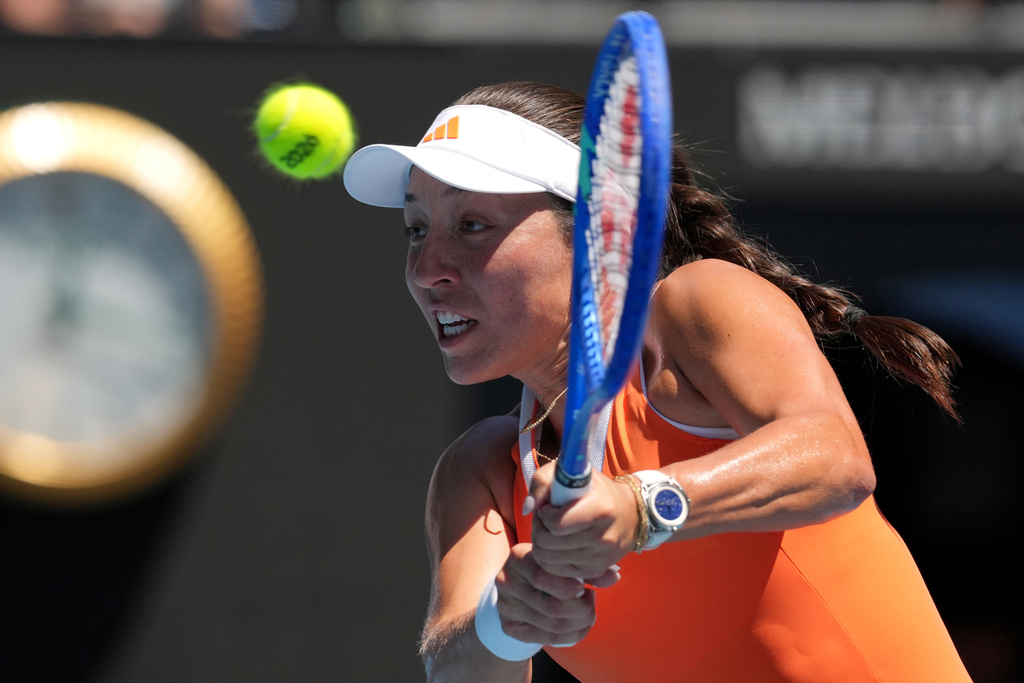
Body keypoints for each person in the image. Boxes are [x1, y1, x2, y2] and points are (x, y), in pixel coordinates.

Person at [343, 81, 972, 682]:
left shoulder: (697, 304)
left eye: (472, 224)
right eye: (416, 229)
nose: (427, 270)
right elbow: (455, 668)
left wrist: (639, 506)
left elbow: (836, 458)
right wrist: (504, 620)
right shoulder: (480, 471)